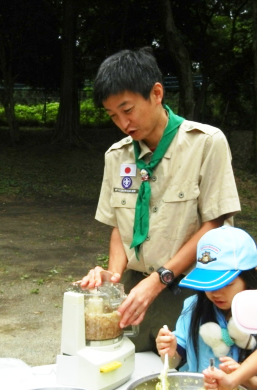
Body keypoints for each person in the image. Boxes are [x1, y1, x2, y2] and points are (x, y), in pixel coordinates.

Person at [80, 48, 241, 352]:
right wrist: (113, 279)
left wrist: (157, 281)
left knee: (181, 378)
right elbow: (119, 227)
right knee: (124, 369)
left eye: (127, 109)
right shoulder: (117, 156)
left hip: (190, 293)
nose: (123, 122)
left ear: (156, 93)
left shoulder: (205, 144)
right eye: (113, 115)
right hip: (134, 291)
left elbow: (214, 225)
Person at [156, 226, 257, 390]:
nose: (216, 293)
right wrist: (170, 352)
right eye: (208, 284)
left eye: (226, 284)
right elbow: (173, 360)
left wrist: (247, 380)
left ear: (252, 274)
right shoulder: (193, 307)